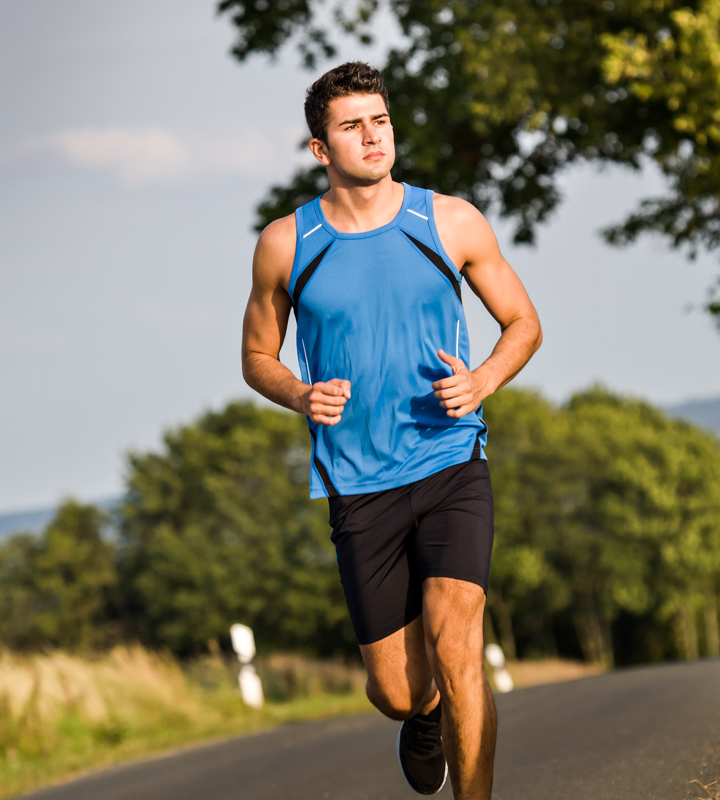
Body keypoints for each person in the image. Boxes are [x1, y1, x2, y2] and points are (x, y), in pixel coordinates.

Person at [241, 61, 542, 799]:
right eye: (352, 126)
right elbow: (256, 356)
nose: (373, 136)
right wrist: (299, 392)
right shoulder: (288, 243)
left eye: (380, 120)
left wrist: (483, 381)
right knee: (398, 691)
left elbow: (523, 323)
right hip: (358, 482)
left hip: (450, 460)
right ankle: (425, 713)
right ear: (321, 149)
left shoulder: (449, 220)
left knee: (458, 644)